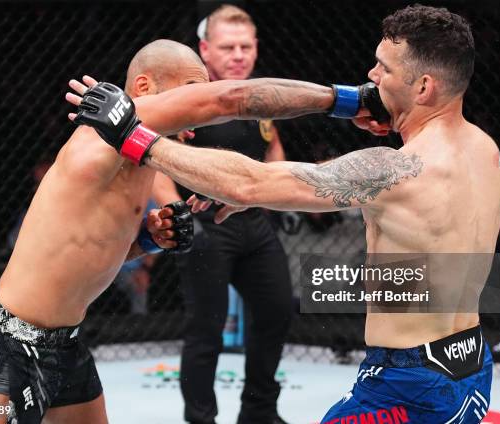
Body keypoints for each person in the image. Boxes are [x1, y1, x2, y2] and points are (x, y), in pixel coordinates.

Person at [67, 4, 500, 423]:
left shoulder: (396, 168)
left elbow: (250, 181)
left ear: (424, 87)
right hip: (470, 363)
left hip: (409, 383)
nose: (371, 76)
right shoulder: (487, 153)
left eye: (384, 69)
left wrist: (133, 135)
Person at [0, 40, 201, 424]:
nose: (197, 110)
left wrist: (147, 241)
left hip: (65, 341)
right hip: (1, 338)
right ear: (143, 89)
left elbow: (90, 252)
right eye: (191, 93)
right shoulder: (98, 141)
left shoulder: (146, 165)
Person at [151, 6, 292, 424]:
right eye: (228, 46)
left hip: (253, 222)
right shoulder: (185, 98)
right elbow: (154, 158)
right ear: (205, 49)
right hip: (204, 224)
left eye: (245, 46)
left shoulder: (260, 96)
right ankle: (201, 418)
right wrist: (177, 212)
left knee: (277, 311)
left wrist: (276, 196)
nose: (238, 54)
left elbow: (273, 148)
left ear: (256, 49)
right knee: (206, 329)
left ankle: (259, 411)